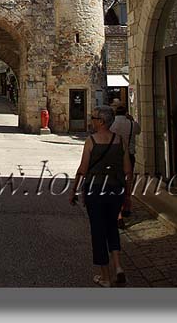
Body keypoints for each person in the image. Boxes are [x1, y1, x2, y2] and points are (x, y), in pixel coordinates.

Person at [69, 105, 132, 287]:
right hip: (116, 190)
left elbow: (83, 169)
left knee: (98, 231)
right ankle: (118, 266)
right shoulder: (120, 140)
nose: (92, 120)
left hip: (95, 191)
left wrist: (73, 190)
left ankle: (105, 277)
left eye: (94, 117)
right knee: (112, 226)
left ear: (102, 121)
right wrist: (127, 195)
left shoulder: (91, 141)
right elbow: (128, 171)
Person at [110, 105, 141, 223]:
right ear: (126, 113)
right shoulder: (132, 124)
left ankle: (118, 214)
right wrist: (132, 120)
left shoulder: (112, 125)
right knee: (127, 182)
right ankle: (127, 207)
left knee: (116, 184)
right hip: (130, 155)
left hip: (116, 157)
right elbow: (139, 130)